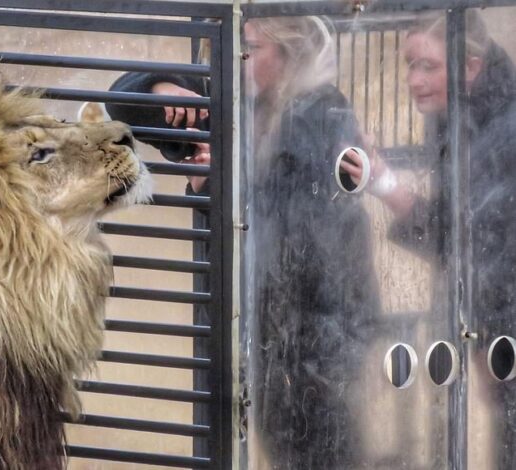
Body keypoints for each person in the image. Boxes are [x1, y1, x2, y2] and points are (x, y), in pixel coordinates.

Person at [107, 16, 381, 469]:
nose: (237, 58)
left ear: (287, 57)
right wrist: (161, 89)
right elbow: (119, 100)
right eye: (235, 47)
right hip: (263, 325)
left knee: (327, 451)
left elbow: (294, 225)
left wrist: (218, 188)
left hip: (322, 327)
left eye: (251, 48)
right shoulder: (229, 99)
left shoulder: (323, 109)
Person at [342, 11, 516, 468]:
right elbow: (457, 236)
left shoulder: (504, 130)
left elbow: (471, 244)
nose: (412, 80)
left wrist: (385, 185)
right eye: (409, 64)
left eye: (427, 66)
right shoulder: (458, 111)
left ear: (470, 66)